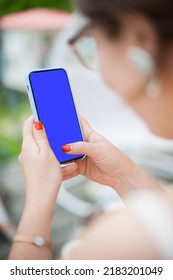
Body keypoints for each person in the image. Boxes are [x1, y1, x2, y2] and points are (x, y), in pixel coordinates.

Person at [9, 0, 173, 259]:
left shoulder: (126, 242)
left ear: (140, 39)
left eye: (93, 43)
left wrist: (38, 200)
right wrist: (122, 176)